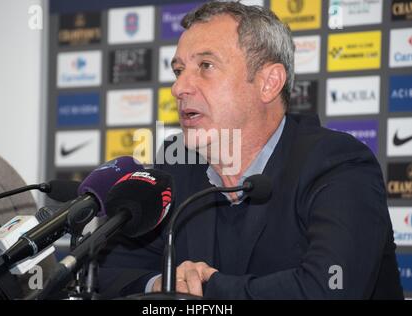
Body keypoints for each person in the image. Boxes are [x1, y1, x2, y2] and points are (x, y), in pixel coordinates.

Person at [98, 1, 403, 299]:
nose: (179, 88)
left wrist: (201, 290)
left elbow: (331, 287)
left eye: (206, 66)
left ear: (269, 83)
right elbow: (106, 271)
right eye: (179, 70)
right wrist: (160, 283)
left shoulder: (337, 163)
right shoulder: (176, 164)